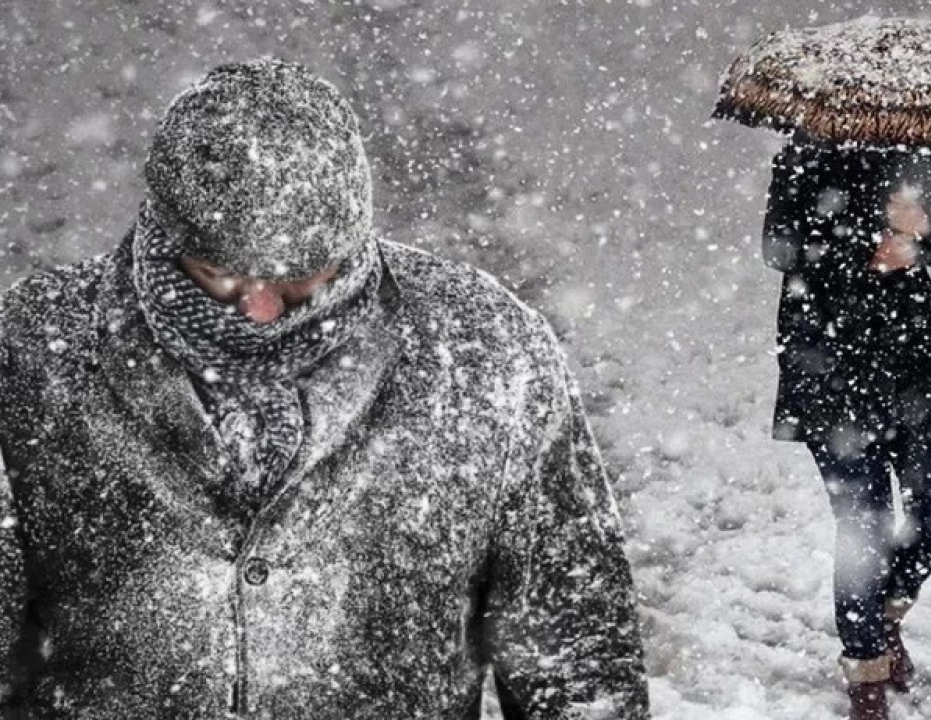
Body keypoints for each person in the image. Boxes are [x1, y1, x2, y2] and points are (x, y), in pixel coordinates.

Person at [0, 59, 649, 719]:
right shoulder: (31, 351)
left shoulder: (483, 347)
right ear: (162, 232)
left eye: (300, 279)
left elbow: (575, 650)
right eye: (216, 274)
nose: (259, 310)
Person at [762, 139, 931, 720]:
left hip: (916, 368)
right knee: (865, 527)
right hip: (829, 364)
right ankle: (866, 675)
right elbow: (779, 249)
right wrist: (871, 238)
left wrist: (922, 234)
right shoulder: (804, 153)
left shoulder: (927, 150)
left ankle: (880, 615)